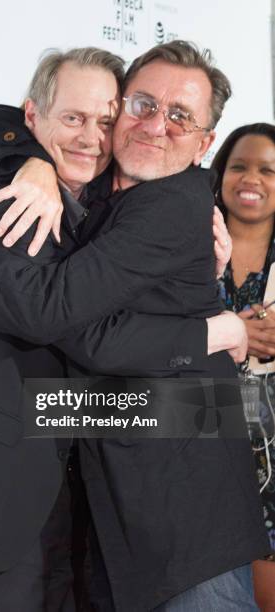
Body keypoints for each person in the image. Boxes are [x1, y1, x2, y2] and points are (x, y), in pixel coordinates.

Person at [0, 40, 270, 611]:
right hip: (14, 504)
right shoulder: (27, 201)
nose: (147, 127)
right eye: (140, 106)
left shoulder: (169, 205)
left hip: (180, 514)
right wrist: (29, 162)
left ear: (204, 144)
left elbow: (67, 325)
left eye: (180, 117)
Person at [212, 123, 275, 611]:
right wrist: (231, 332)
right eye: (239, 166)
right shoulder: (189, 248)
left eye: (269, 170)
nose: (251, 178)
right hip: (203, 442)